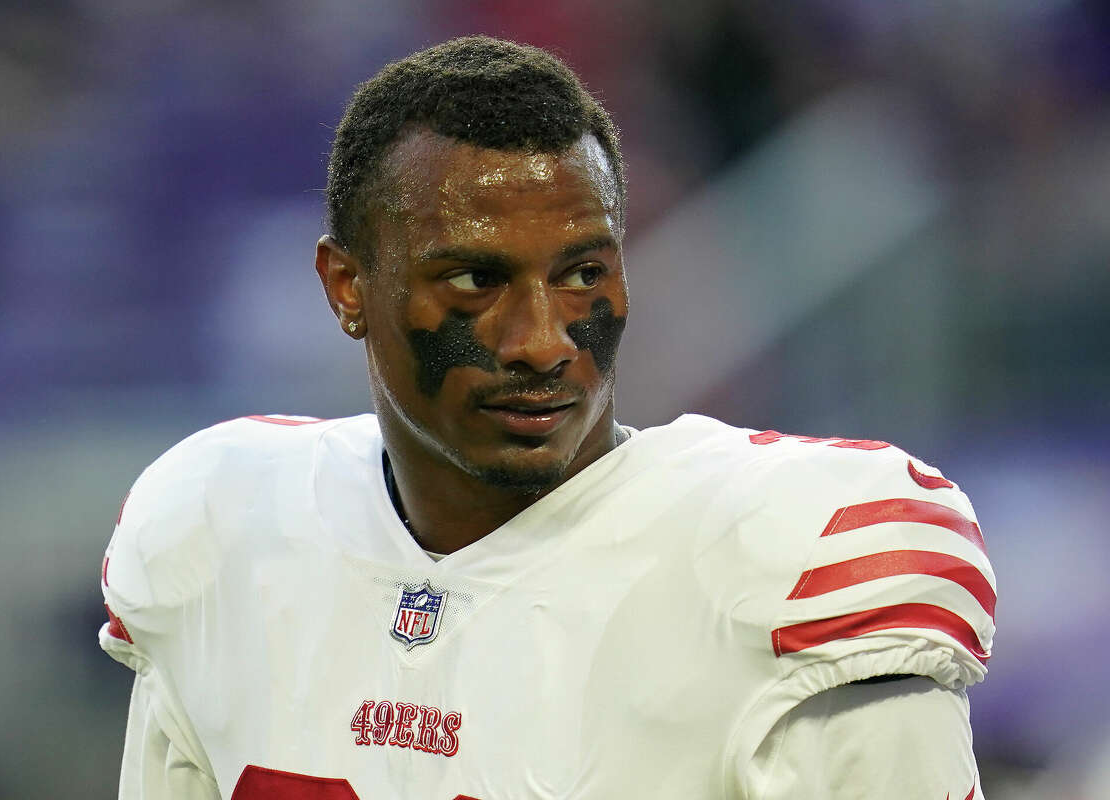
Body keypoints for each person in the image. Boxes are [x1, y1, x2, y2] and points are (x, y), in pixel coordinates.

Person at [99, 36, 995, 799]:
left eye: (580, 273)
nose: (540, 341)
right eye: (476, 280)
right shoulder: (222, 525)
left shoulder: (796, 560)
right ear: (347, 288)